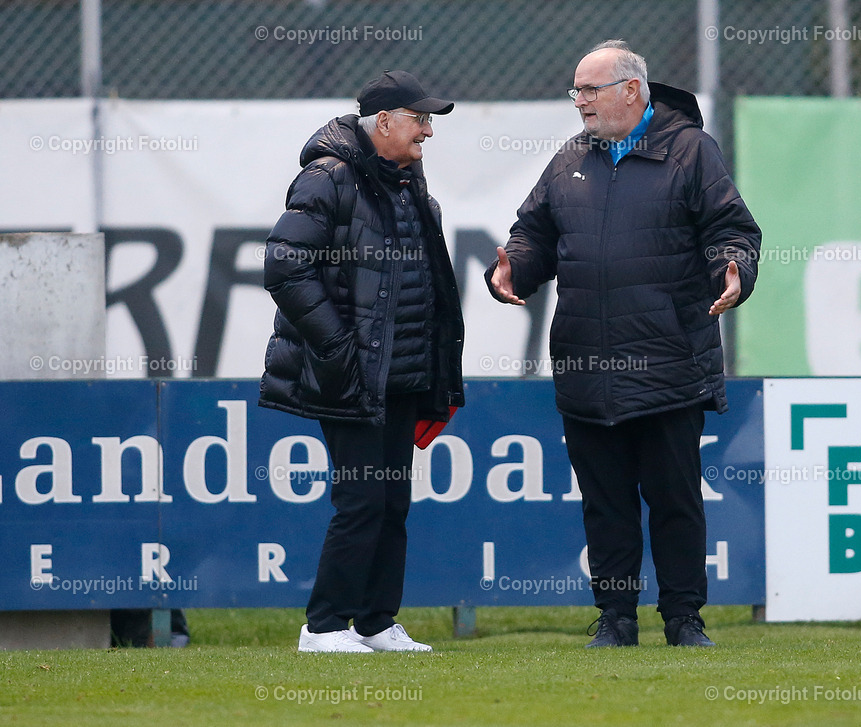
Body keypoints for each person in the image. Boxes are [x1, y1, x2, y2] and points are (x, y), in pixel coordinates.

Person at [486, 41, 760, 648]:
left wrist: (733, 268)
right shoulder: (568, 160)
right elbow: (532, 233)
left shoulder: (691, 151)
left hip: (669, 361)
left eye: (590, 89)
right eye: (576, 91)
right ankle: (615, 620)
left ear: (631, 91)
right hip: (587, 367)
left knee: (675, 502)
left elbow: (730, 228)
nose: (579, 101)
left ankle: (684, 619)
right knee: (604, 507)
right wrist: (514, 270)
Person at [259, 70, 465, 653]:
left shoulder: (407, 180)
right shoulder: (328, 177)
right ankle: (322, 627)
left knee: (393, 498)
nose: (428, 131)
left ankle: (375, 622)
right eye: (419, 119)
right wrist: (335, 345)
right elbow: (284, 266)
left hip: (401, 372)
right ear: (383, 123)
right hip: (348, 372)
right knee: (362, 500)